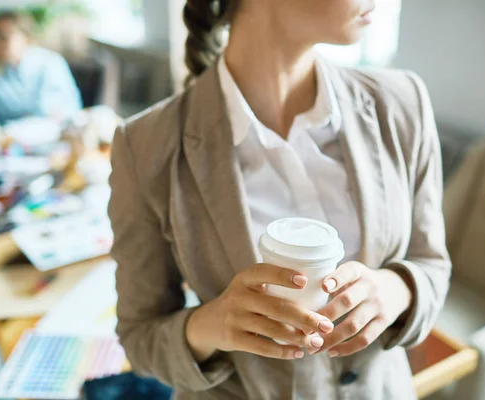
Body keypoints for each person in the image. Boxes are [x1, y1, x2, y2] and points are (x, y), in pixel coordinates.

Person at [108, 0, 451, 399]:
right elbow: (140, 335)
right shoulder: (144, 146)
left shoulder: (402, 102)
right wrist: (212, 324)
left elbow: (432, 265)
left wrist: (396, 290)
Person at [0, 11, 82, 125]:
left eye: (4, 36)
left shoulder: (50, 64)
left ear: (26, 37)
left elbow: (53, 111)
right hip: (7, 138)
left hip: (53, 133)